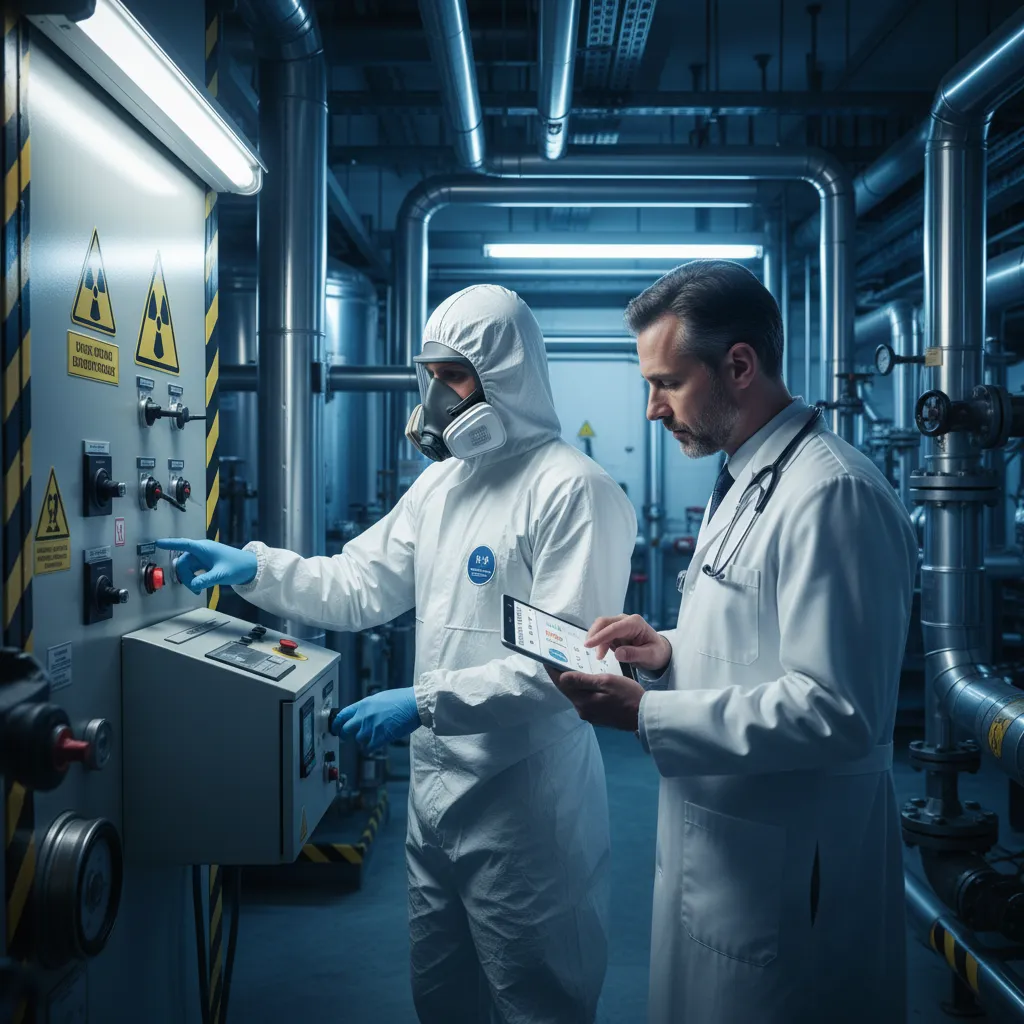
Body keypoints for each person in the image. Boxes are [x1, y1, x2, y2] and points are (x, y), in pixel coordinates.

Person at [158, 284, 637, 1024]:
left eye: (456, 376)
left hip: (525, 811)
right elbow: (359, 584)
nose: (437, 396)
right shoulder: (443, 484)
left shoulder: (572, 490)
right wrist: (256, 568)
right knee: (441, 999)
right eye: (430, 375)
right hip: (434, 799)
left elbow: (568, 668)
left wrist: (423, 702)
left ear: (506, 376)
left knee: (538, 1003)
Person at [549, 261, 917, 1024]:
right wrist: (666, 651)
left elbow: (838, 710)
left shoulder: (831, 493)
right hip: (732, 851)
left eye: (668, 383)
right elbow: (759, 642)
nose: (652, 409)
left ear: (740, 366)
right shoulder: (748, 476)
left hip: (795, 878)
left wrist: (644, 714)